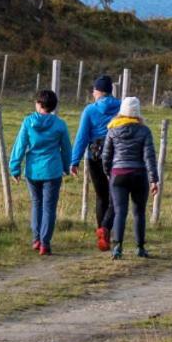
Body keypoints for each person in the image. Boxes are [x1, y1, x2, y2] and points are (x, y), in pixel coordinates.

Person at [8, 89, 72, 256]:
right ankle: (45, 243)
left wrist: (15, 168)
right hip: (52, 170)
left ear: (38, 104)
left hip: (33, 171)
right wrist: (67, 167)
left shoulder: (28, 122)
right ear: (53, 106)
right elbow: (66, 149)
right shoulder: (60, 124)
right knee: (49, 208)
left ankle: (36, 239)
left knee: (36, 204)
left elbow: (20, 146)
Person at [102, 96, 160, 259]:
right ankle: (140, 247)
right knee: (139, 212)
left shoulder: (112, 130)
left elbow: (106, 155)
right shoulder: (144, 130)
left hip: (118, 174)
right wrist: (153, 179)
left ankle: (117, 247)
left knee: (120, 211)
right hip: (139, 174)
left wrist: (108, 172)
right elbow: (149, 157)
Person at [70, 75, 122, 252]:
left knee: (101, 196)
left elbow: (82, 136)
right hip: (117, 156)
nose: (92, 93)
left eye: (94, 90)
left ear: (98, 91)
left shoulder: (90, 110)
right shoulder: (122, 107)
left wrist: (74, 160)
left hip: (95, 156)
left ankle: (102, 232)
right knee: (116, 196)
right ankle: (108, 229)